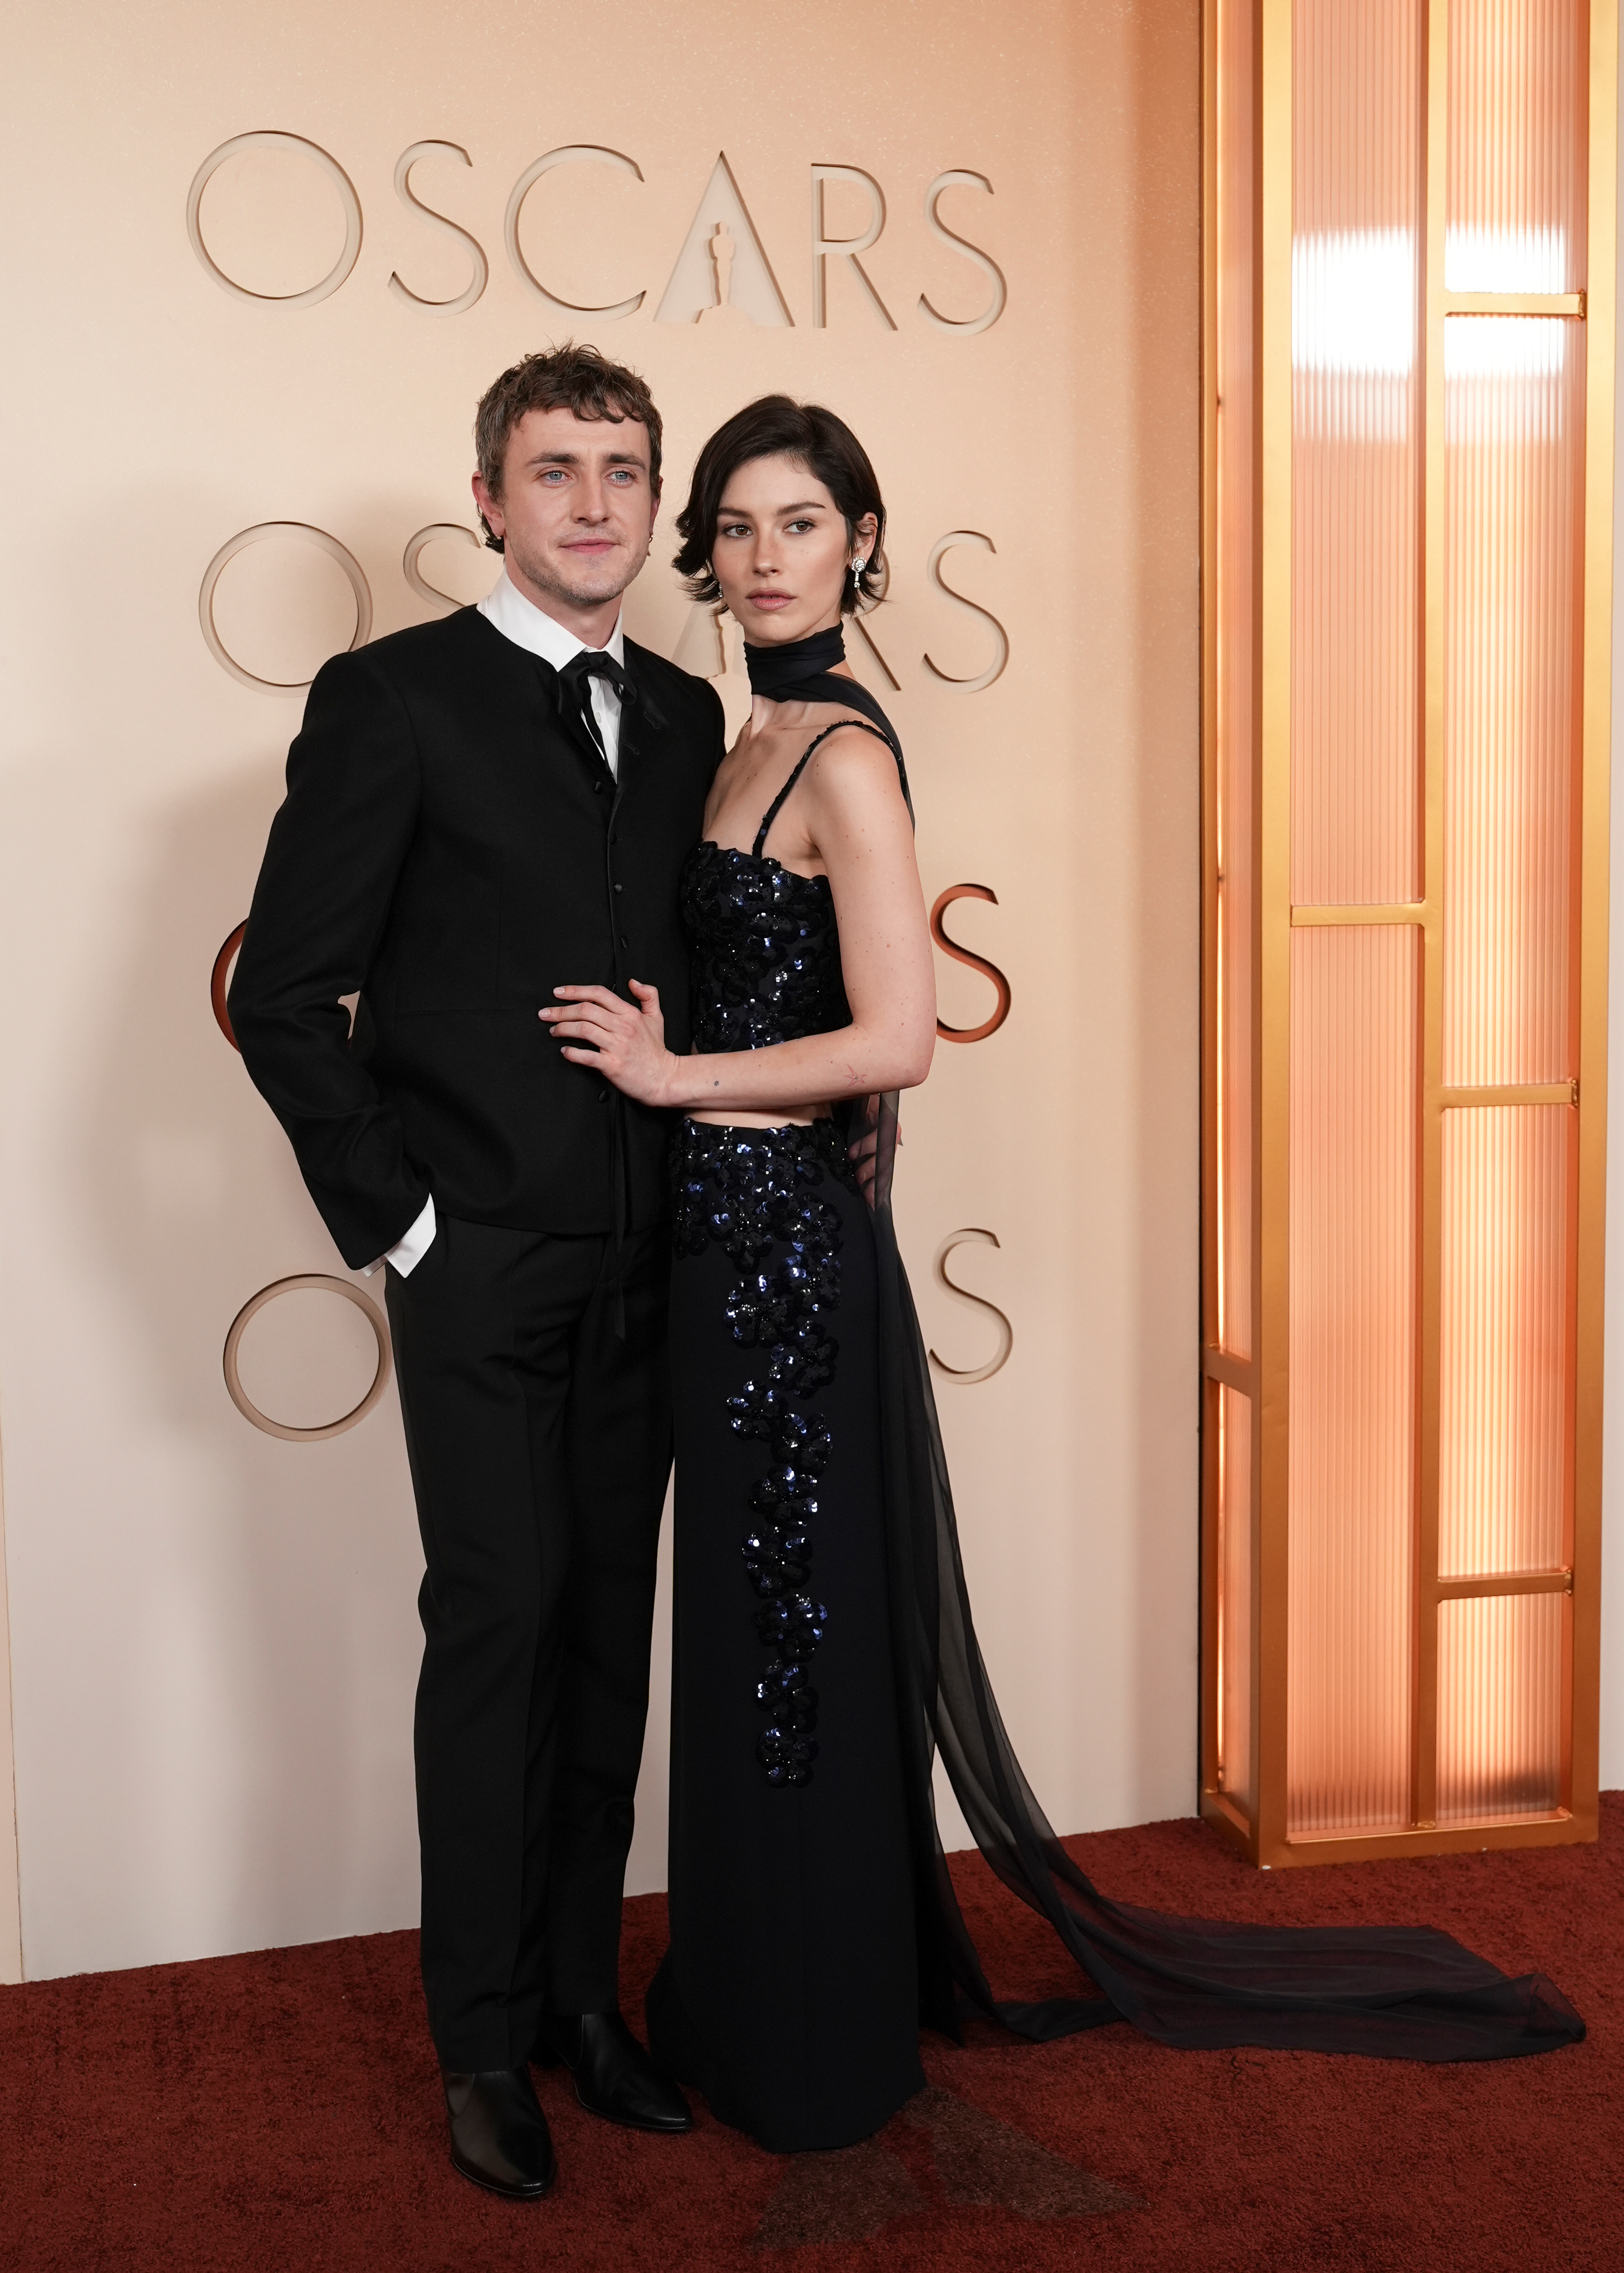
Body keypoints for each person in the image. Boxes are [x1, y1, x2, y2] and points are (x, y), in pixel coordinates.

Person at [542, 395, 1586, 2157]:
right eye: (728, 527)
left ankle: (811, 2042)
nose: (755, 557)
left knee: (788, 1646)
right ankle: (752, 1989)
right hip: (733, 1252)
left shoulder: (841, 759)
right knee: (751, 1648)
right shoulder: (740, 731)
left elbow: (897, 1038)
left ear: (863, 543)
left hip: (783, 1269)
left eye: (796, 524)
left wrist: (673, 1079)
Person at [229, 345, 725, 2201]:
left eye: (621, 471)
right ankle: (478, 2037)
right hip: (485, 1261)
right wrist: (408, 1221)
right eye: (556, 469)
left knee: (612, 1644)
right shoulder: (393, 701)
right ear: (491, 501)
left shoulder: (682, 718)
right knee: (498, 1631)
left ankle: (587, 2006)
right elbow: (286, 994)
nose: (593, 502)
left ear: (648, 504)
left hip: (650, 1259)